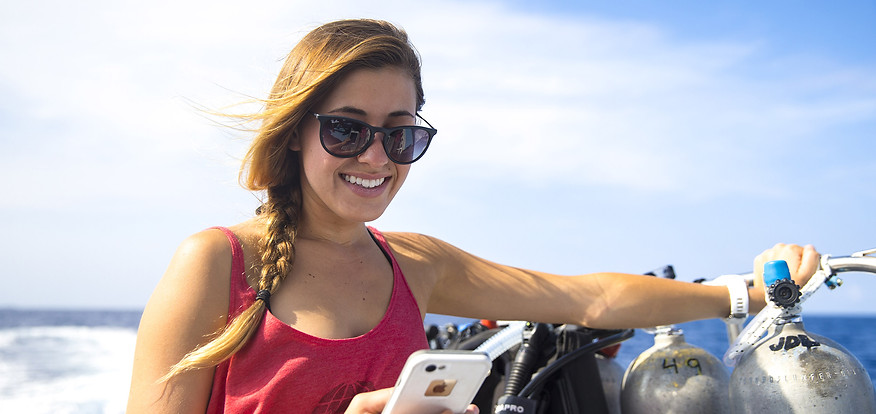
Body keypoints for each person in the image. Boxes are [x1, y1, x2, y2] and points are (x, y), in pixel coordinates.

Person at [125, 18, 820, 414]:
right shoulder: (216, 263)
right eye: (347, 129)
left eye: (400, 133)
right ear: (295, 133)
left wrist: (748, 292)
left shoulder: (416, 264)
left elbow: (590, 297)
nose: (376, 155)